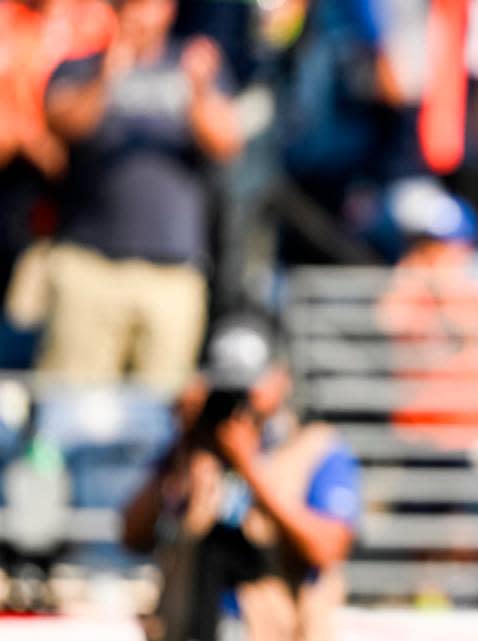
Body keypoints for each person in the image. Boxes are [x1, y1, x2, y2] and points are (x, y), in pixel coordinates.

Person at [41, 0, 241, 394]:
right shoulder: (82, 66)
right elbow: (64, 124)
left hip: (170, 271)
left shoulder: (193, 65)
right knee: (70, 407)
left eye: (147, 5)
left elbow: (227, 143)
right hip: (91, 264)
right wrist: (108, 73)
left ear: (168, 10)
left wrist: (198, 91)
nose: (137, 14)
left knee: (161, 412)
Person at [122, 318, 361, 641]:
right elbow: (132, 535)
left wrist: (250, 467)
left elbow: (327, 548)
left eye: (248, 383)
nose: (238, 395)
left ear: (281, 379)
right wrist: (183, 443)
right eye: (226, 382)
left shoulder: (315, 448)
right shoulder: (194, 449)